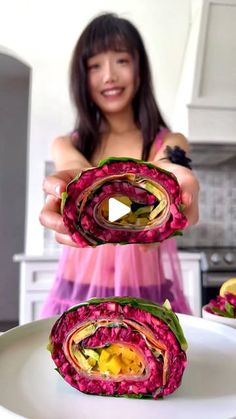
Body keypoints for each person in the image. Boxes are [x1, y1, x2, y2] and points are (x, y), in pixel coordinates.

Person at [39, 12, 199, 317]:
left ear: (140, 69)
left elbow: (171, 163)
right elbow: (74, 166)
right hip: (76, 294)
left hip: (149, 298)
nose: (109, 76)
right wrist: (80, 181)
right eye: (94, 65)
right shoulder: (68, 144)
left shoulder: (169, 140)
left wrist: (174, 178)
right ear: (81, 77)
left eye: (121, 61)